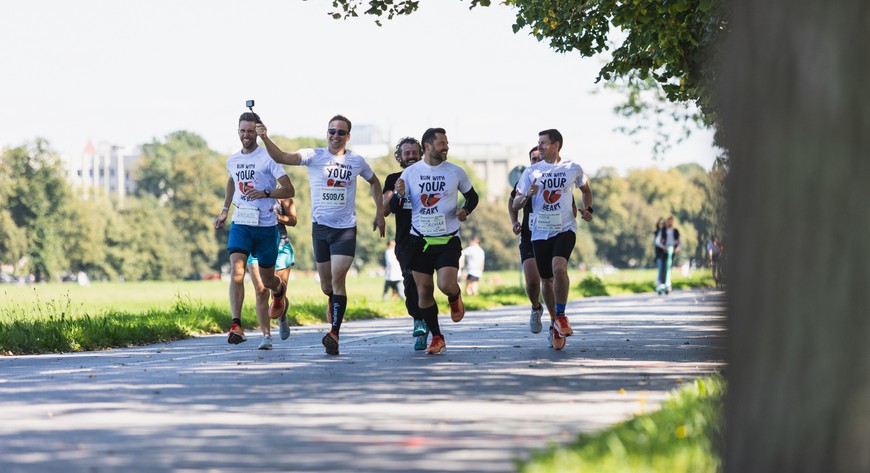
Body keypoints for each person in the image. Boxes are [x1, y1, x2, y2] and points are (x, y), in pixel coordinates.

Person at [256, 115, 386, 356]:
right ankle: (332, 300)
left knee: (338, 280)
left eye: (340, 132)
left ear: (348, 136)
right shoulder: (314, 156)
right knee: (327, 285)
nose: (335, 136)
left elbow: (375, 182)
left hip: (345, 229)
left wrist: (380, 213)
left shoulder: (356, 161)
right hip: (320, 229)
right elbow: (282, 157)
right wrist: (264, 136)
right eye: (331, 131)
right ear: (327, 133)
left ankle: (334, 333)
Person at [393, 127, 479, 355]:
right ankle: (437, 337)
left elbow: (472, 196)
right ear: (428, 146)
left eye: (447, 143)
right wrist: (399, 195)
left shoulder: (455, 172)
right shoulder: (410, 173)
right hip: (419, 240)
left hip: (448, 238)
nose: (446, 147)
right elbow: (395, 207)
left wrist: (465, 210)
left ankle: (455, 296)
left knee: (445, 285)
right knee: (424, 292)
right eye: (442, 143)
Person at [214, 111, 295, 346]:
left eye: (250, 131)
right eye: (242, 131)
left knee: (269, 282)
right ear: (237, 131)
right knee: (236, 271)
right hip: (241, 224)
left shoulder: (268, 158)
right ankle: (236, 325)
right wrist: (225, 210)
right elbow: (231, 181)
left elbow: (289, 190)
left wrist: (266, 193)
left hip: (266, 227)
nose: (246, 135)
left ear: (257, 132)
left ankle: (279, 293)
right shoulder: (232, 160)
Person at [512, 129, 593, 351]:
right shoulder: (531, 171)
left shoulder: (572, 168)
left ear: (556, 145)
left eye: (543, 143)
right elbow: (515, 204)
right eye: (538, 143)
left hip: (565, 228)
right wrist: (528, 193)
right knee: (545, 280)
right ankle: (553, 323)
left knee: (559, 268)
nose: (539, 147)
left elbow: (586, 190)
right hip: (539, 231)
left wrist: (588, 209)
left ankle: (561, 315)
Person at [383, 137, 428, 350]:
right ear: (400, 157)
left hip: (431, 237)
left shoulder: (431, 175)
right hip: (405, 240)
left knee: (426, 285)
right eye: (406, 153)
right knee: (410, 282)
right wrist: (398, 196)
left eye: (414, 152)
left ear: (422, 153)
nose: (411, 157)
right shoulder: (393, 179)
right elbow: (384, 209)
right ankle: (419, 320)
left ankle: (430, 321)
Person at [247, 197, 297, 350]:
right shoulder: (248, 193)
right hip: (256, 245)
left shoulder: (282, 195)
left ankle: (282, 318)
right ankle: (266, 336)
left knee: (277, 293)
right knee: (261, 291)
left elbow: (293, 220)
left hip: (280, 246)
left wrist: (277, 217)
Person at [655, 216, 681, 293]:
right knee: (663, 267)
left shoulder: (675, 231)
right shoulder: (663, 231)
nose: (669, 223)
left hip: (671, 250)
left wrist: (678, 247)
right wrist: (662, 246)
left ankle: (667, 283)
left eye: (671, 221)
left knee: (669, 267)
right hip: (664, 250)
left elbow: (679, 242)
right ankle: (662, 283)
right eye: (668, 221)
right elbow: (657, 241)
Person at [653, 217, 667, 289]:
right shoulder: (656, 233)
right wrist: (662, 246)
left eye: (663, 223)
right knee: (660, 268)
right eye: (660, 223)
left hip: (665, 254)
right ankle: (659, 283)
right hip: (659, 254)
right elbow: (655, 242)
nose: (661, 225)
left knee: (665, 269)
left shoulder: (666, 232)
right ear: (658, 224)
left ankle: (664, 283)